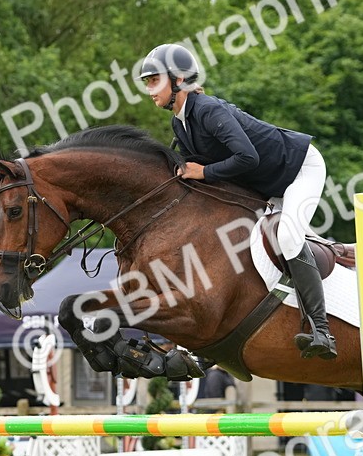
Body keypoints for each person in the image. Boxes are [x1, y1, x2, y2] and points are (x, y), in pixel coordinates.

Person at [137, 43, 335, 360]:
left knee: (285, 235)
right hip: (266, 184)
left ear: (177, 81)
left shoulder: (207, 110)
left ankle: (321, 331)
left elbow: (247, 157)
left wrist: (204, 172)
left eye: (153, 80)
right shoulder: (180, 123)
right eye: (147, 82)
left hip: (298, 170)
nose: (149, 90)